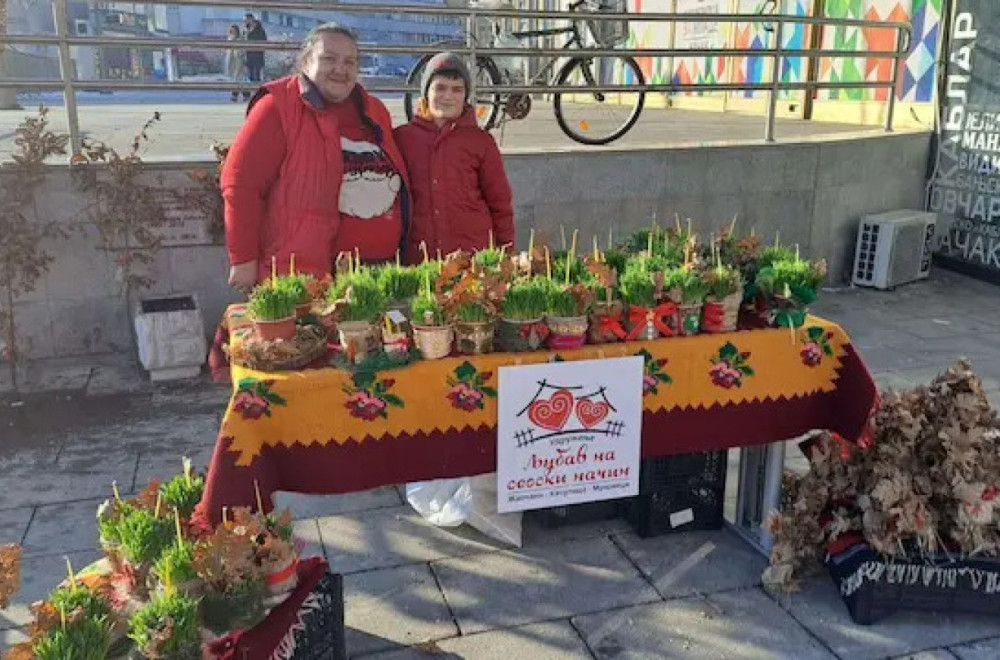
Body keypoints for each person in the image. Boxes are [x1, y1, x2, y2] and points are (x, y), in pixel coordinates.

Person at [222, 24, 410, 291]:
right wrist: (243, 259)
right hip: (304, 272)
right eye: (329, 59)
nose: (340, 69)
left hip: (378, 268)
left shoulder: (374, 110)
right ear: (306, 62)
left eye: (350, 62)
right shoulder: (278, 107)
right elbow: (241, 185)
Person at [394, 52, 514, 264]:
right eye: (440, 88)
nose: (448, 96)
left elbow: (500, 203)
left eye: (457, 89)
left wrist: (506, 254)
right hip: (420, 258)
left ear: (465, 96)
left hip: (473, 257)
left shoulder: (481, 141)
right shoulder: (403, 139)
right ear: (425, 93)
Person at [243, 13, 267, 101]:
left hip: (257, 56)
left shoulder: (260, 29)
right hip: (248, 57)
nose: (245, 21)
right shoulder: (246, 29)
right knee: (249, 77)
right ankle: (249, 95)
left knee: (256, 76)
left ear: (251, 19)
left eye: (246, 19)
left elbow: (264, 41)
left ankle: (257, 96)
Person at [224, 24, 246, 103]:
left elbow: (242, 50)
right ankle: (242, 95)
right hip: (232, 61)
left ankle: (237, 95)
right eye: (231, 30)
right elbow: (228, 50)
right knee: (236, 80)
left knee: (238, 79)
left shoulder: (240, 39)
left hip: (239, 61)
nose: (232, 32)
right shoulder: (230, 39)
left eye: (233, 30)